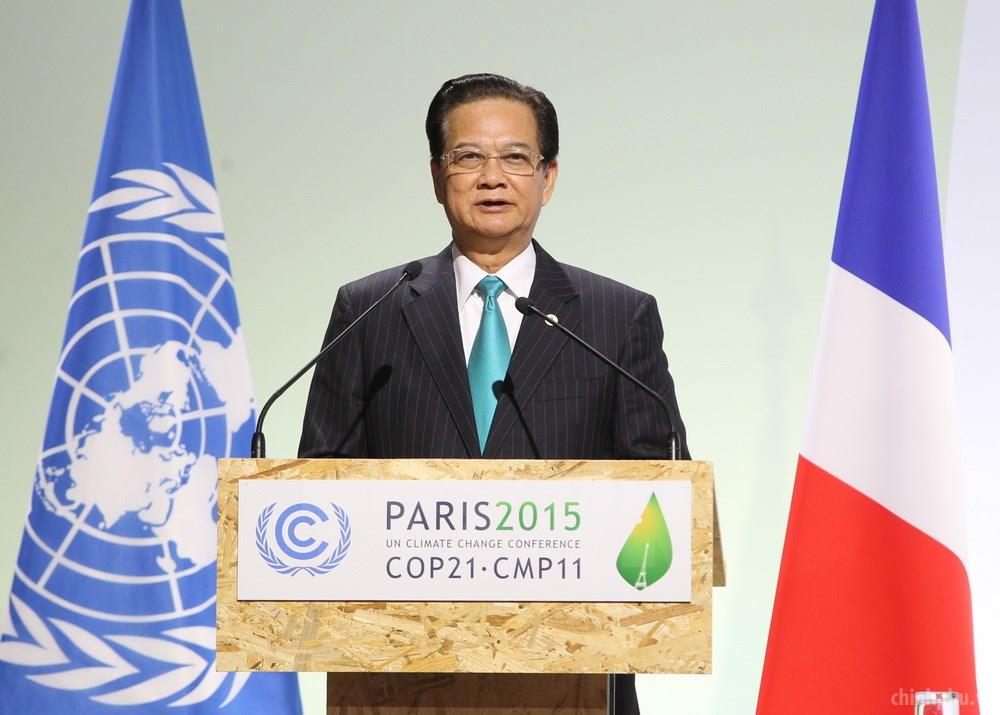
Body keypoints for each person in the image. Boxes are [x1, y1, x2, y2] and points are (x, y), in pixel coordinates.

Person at [299, 73, 689, 715]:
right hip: (403, 672)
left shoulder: (616, 316)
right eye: (468, 157)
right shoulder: (371, 309)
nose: (492, 178)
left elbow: (660, 489)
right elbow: (320, 484)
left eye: (515, 158)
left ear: (548, 178)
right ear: (436, 176)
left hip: (571, 672)